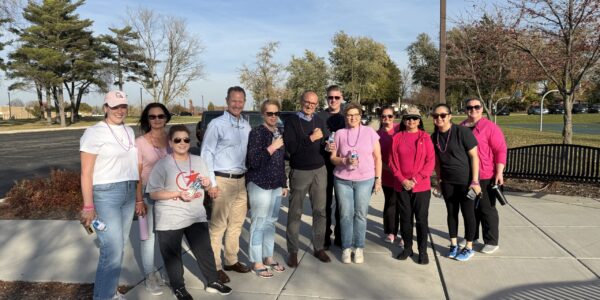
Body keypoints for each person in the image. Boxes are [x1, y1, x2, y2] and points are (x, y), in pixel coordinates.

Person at [146, 125, 232, 299]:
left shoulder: (198, 160)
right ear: (170, 142)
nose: (182, 143)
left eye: (186, 139)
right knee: (173, 256)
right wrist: (178, 193)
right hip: (170, 217)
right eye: (177, 140)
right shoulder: (163, 164)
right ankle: (179, 287)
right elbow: (153, 193)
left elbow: (207, 187)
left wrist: (208, 184)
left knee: (205, 250)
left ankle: (212, 281)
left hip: (195, 214)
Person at [80, 91, 139, 300]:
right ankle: (103, 297)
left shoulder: (129, 131)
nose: (120, 111)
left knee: (119, 246)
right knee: (112, 249)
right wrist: (88, 206)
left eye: (123, 106)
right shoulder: (94, 133)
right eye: (115, 107)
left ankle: (110, 292)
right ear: (105, 107)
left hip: (128, 192)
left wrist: (138, 195)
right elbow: (86, 172)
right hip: (106, 194)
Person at [200, 86, 252, 283]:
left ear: (244, 102)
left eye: (240, 101)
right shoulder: (217, 124)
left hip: (241, 180)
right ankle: (215, 266)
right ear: (227, 101)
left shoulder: (245, 125)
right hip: (222, 180)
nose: (237, 104)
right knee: (218, 226)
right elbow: (206, 153)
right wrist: (211, 184)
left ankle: (231, 260)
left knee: (236, 224)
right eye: (234, 100)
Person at [329, 102, 382, 264]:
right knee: (345, 215)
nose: (352, 118)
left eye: (356, 115)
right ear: (346, 117)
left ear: (360, 117)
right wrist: (344, 160)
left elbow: (378, 157)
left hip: (364, 180)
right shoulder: (339, 133)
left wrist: (378, 179)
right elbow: (332, 158)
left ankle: (358, 247)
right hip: (342, 180)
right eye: (349, 115)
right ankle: (346, 247)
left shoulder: (370, 132)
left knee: (360, 214)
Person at [284, 90, 331, 267]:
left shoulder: (319, 120)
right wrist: (311, 138)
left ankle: (318, 247)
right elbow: (291, 148)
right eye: (307, 102)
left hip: (319, 171)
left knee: (320, 211)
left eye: (313, 103)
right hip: (300, 171)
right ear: (301, 101)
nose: (310, 105)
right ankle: (293, 251)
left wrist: (328, 145)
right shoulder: (291, 121)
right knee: (295, 212)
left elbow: (325, 141)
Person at [430, 103, 481, 262]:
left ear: (450, 116)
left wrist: (475, 181)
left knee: (468, 213)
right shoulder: (434, 137)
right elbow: (437, 162)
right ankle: (453, 245)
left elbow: (474, 157)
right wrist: (438, 181)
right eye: (435, 116)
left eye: (442, 115)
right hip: (447, 182)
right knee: (451, 213)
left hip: (466, 182)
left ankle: (469, 247)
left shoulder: (462, 132)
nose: (439, 118)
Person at [245, 100, 288, 278]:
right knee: (259, 223)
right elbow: (253, 161)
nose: (273, 116)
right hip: (260, 184)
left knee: (271, 222)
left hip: (276, 185)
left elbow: (281, 161)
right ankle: (257, 261)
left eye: (276, 113)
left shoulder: (279, 132)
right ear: (263, 114)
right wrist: (272, 147)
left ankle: (268, 257)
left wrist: (284, 183)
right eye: (269, 113)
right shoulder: (256, 133)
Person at [460, 98, 507, 254]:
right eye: (469, 107)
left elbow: (500, 150)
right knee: (470, 209)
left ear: (481, 108)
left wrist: (499, 172)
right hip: (466, 175)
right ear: (465, 109)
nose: (473, 109)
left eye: (476, 106)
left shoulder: (490, 128)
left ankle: (491, 240)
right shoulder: (460, 127)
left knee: (486, 209)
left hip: (486, 175)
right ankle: (471, 237)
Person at [389, 107, 435, 264]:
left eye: (415, 118)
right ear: (403, 120)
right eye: (408, 118)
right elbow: (392, 162)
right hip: (401, 186)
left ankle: (423, 251)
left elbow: (430, 162)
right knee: (406, 219)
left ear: (419, 120)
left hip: (421, 187)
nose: (411, 121)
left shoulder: (425, 137)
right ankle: (407, 248)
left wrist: (414, 180)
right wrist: (403, 180)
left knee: (421, 219)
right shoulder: (397, 137)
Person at [135, 103, 171, 295]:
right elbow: (136, 174)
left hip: (170, 196)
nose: (157, 120)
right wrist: (138, 200)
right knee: (147, 238)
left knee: (167, 237)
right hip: (148, 196)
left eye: (160, 116)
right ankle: (150, 276)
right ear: (147, 119)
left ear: (166, 117)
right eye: (152, 116)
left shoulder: (172, 139)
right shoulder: (140, 142)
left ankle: (168, 272)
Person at [316, 85, 346, 249]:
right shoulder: (319, 116)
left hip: (342, 166)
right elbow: (315, 138)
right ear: (326, 98)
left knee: (342, 203)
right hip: (324, 166)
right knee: (325, 203)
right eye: (330, 97)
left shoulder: (347, 116)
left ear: (342, 98)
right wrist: (324, 146)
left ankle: (340, 235)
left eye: (336, 97)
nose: (333, 100)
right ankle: (325, 236)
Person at [376, 106, 402, 246]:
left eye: (390, 116)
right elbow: (376, 158)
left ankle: (405, 232)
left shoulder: (400, 130)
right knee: (391, 203)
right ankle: (391, 232)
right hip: (387, 174)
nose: (387, 119)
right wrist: (390, 169)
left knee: (403, 205)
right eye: (384, 116)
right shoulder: (376, 135)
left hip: (402, 175)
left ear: (394, 116)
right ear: (380, 118)